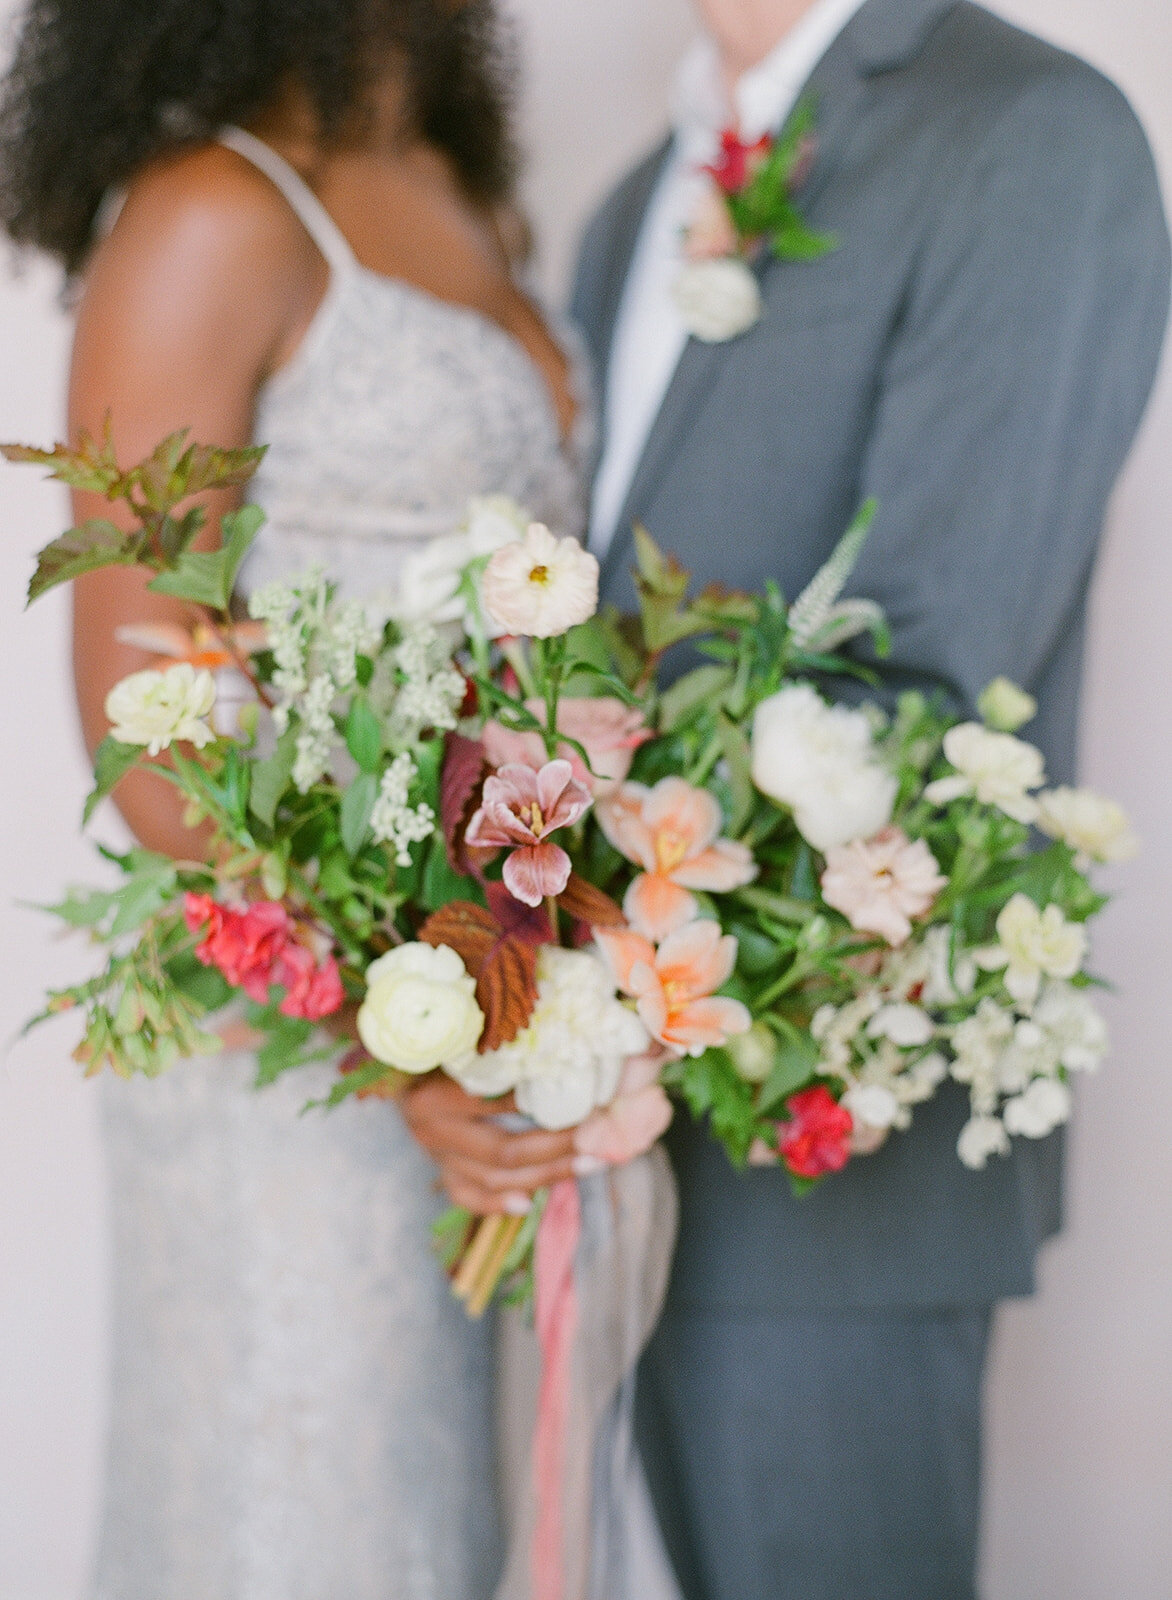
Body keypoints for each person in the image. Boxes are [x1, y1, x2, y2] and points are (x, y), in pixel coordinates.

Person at [564, 1, 1169, 1597]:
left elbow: (938, 664)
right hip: (607, 1137)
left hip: (831, 1135)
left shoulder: (1031, 131)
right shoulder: (641, 194)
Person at [0, 2, 589, 1594]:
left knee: (439, 1529)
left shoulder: (462, 187)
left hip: (477, 1018)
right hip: (302, 1053)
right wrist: (393, 1043)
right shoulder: (212, 212)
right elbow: (151, 728)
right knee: (301, 1516)